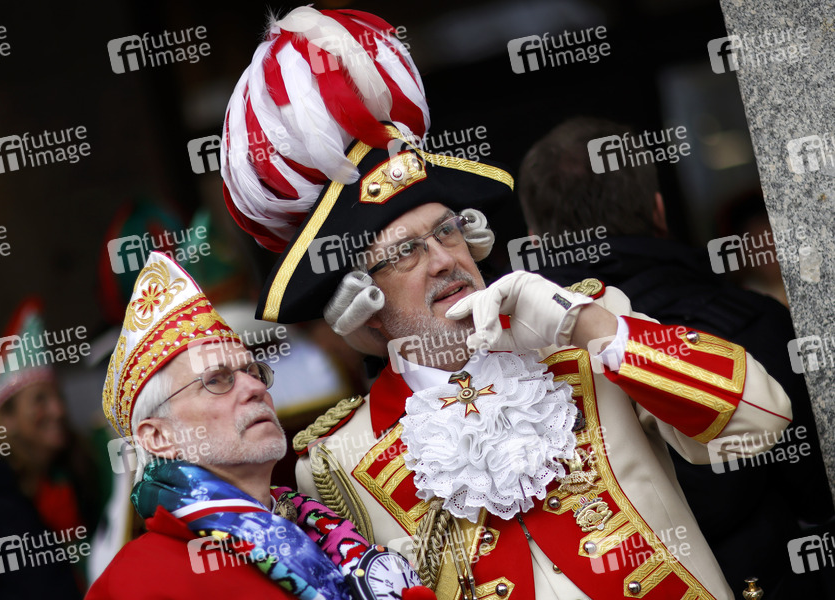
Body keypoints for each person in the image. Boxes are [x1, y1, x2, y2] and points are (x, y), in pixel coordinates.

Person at [219, 7, 793, 599]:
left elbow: (761, 420)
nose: (443, 259)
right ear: (362, 304)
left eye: (448, 232)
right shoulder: (337, 461)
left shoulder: (589, 335)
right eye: (406, 252)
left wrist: (586, 323)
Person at [515, 116, 835, 598]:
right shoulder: (753, 320)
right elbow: (817, 494)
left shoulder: (514, 368)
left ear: (535, 240)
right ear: (659, 210)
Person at [87, 251, 433, 600]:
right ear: (158, 436)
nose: (255, 387)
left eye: (252, 371)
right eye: (217, 380)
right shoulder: (136, 582)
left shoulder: (317, 524)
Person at [0, 298, 100, 599]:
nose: (59, 410)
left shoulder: (67, 491)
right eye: (40, 400)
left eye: (58, 397)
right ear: (4, 419)